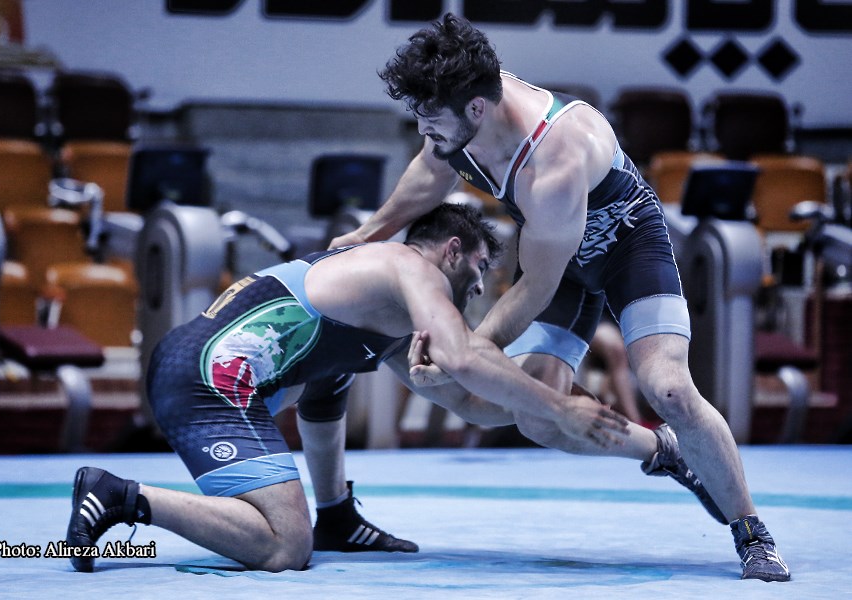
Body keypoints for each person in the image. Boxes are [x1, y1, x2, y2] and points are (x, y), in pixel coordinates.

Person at [328, 13, 790, 582]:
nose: (425, 129)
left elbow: (535, 286)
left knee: (668, 387)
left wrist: (459, 351)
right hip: (557, 258)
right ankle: (662, 451)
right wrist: (363, 236)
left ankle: (752, 533)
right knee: (537, 418)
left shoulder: (556, 154)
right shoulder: (460, 112)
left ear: (477, 108)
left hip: (626, 249)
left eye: (432, 119)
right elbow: (430, 173)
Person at [64, 203, 632, 573]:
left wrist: (544, 409)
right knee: (286, 546)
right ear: (452, 250)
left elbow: (468, 401)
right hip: (206, 377)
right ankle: (120, 495)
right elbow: (464, 357)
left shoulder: (385, 311)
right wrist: (558, 406)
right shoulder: (410, 267)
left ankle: (336, 514)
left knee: (329, 375)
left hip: (213, 373)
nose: (481, 286)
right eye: (480, 267)